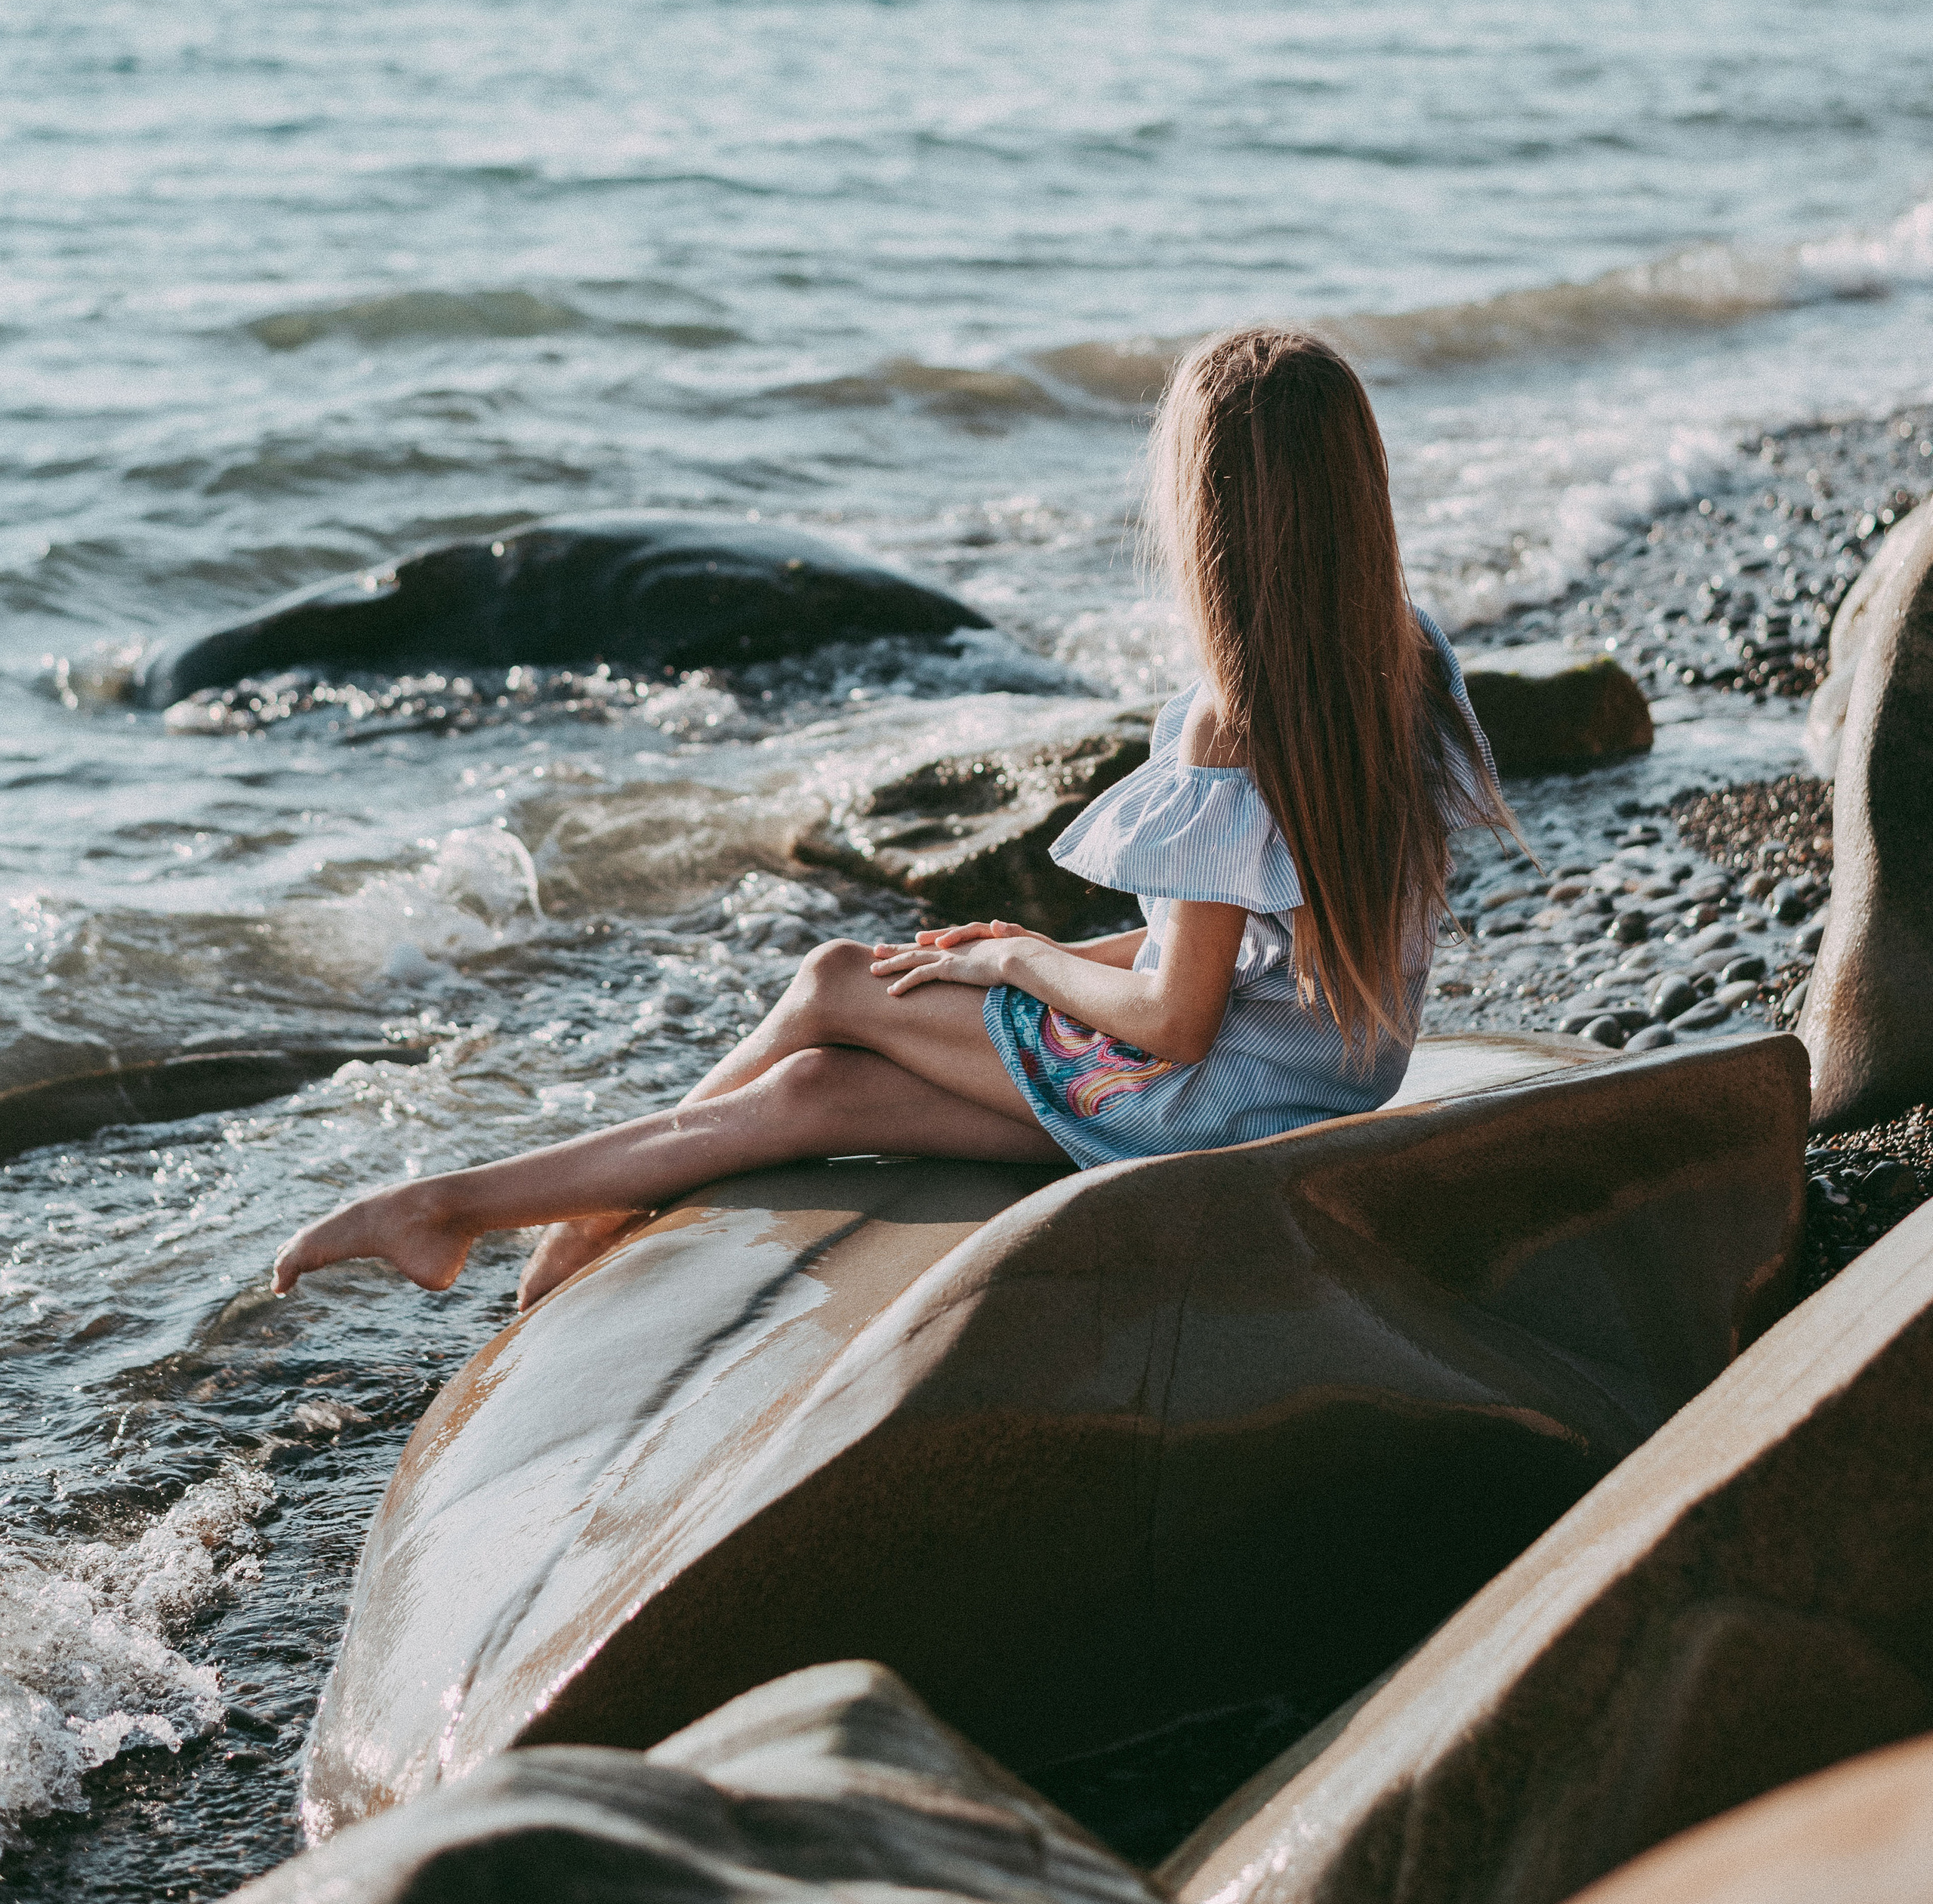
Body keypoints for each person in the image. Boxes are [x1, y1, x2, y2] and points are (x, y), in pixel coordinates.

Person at [273, 328, 1513, 1311]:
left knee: (833, 979)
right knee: (818, 1091)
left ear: (1212, 517)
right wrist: (1014, 963)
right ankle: (502, 1211)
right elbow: (1256, 955)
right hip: (1323, 1077)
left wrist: (1018, 955)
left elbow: (1179, 1022)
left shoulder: (1227, 725)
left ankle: (528, 1214)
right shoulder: (1408, 659)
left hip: (1220, 1102)